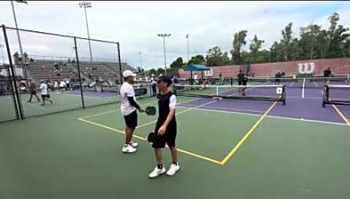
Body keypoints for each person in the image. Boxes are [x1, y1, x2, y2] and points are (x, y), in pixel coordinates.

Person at [149, 76, 179, 178]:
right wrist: (160, 125)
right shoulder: (158, 95)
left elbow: (171, 112)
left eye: (159, 81)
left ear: (165, 83)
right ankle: (160, 167)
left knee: (171, 144)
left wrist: (164, 126)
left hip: (170, 124)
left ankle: (175, 164)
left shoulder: (172, 96)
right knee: (156, 145)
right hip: (160, 122)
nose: (157, 83)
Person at [120, 70, 145, 153]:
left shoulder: (124, 85)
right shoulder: (128, 87)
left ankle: (129, 142)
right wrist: (139, 108)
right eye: (132, 77)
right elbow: (131, 101)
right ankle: (126, 146)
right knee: (131, 127)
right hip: (129, 110)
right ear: (128, 77)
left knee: (128, 126)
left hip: (125, 109)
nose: (134, 78)